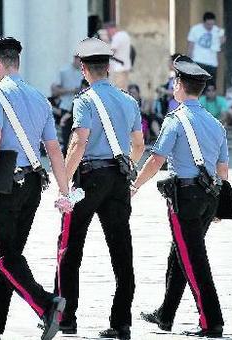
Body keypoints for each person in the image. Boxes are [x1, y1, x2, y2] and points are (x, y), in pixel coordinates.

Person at [0, 37, 69, 340]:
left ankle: (46, 305)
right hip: (32, 184)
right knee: (10, 255)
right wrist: (63, 191)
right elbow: (54, 149)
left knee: (3, 254)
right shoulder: (40, 98)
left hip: (4, 183)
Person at [54, 37, 144, 339]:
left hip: (89, 177)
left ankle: (66, 317)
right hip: (118, 178)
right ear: (108, 68)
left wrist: (64, 184)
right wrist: (127, 166)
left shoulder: (84, 101)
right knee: (122, 250)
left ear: (83, 69)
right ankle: (121, 322)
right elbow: (139, 144)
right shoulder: (128, 100)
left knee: (70, 247)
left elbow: (78, 142)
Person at [133, 56, 228, 338]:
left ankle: (212, 321)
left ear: (179, 85)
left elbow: (156, 160)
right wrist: (222, 205)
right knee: (180, 253)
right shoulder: (215, 123)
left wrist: (135, 185)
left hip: (185, 196)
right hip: (209, 196)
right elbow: (223, 169)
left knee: (193, 258)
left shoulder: (175, 119)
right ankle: (166, 314)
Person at [51, 55, 84, 155]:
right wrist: (71, 90)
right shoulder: (64, 71)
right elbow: (54, 90)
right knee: (66, 137)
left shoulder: (84, 72)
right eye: (79, 59)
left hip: (80, 108)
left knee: (79, 137)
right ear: (75, 58)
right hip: (66, 106)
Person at [187, 12, 226, 86]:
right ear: (204, 22)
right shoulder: (195, 29)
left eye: (212, 24)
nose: (210, 27)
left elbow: (221, 44)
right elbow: (190, 45)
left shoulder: (217, 30)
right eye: (208, 24)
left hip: (212, 62)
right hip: (198, 61)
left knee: (210, 85)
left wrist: (221, 36)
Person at [104, 22, 132, 90]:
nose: (107, 33)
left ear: (111, 29)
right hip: (125, 68)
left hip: (118, 69)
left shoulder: (116, 37)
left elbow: (112, 52)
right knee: (123, 90)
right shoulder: (125, 35)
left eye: (107, 31)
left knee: (118, 91)